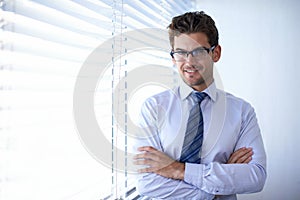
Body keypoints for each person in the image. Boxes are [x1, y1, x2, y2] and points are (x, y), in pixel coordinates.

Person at [133, 11, 266, 200]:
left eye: (198, 52)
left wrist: (177, 170)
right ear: (173, 57)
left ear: (216, 53)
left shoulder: (242, 112)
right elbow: (146, 183)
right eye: (180, 53)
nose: (189, 62)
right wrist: (218, 186)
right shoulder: (153, 108)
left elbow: (256, 177)